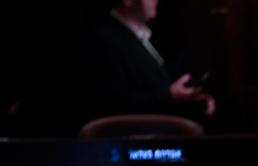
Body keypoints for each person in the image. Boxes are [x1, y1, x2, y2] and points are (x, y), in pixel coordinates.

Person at [86, 0, 215, 121]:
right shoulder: (107, 40)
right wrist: (170, 95)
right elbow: (113, 104)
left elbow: (155, 88)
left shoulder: (137, 36)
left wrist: (192, 100)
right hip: (134, 141)